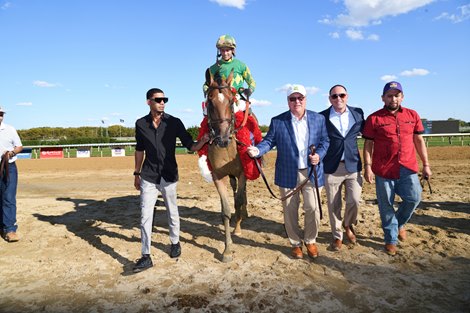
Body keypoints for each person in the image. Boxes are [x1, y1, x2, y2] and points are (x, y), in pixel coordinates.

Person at [247, 84, 329, 259]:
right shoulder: (278, 121)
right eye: (293, 99)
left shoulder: (318, 119)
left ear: (305, 100)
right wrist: (258, 150)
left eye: (300, 98)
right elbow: (269, 141)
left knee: (313, 209)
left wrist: (319, 155)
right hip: (287, 172)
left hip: (312, 172)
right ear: (288, 102)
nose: (297, 101)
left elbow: (325, 141)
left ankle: (310, 240)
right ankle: (295, 243)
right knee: (290, 211)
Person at [133, 88, 208, 273]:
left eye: (164, 99)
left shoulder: (174, 122)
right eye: (158, 99)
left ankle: (175, 242)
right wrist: (136, 173)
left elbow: (190, 145)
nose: (162, 102)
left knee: (172, 212)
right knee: (145, 216)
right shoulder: (140, 124)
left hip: (169, 175)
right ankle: (145, 255)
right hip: (148, 176)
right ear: (148, 102)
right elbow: (139, 149)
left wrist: (204, 140)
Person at [362, 81, 432, 256]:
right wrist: (367, 167)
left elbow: (418, 141)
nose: (393, 98)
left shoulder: (412, 115)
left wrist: (426, 164)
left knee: (414, 198)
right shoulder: (374, 118)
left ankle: (399, 224)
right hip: (384, 170)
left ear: (402, 96)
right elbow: (368, 144)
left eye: (397, 95)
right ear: (383, 98)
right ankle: (391, 239)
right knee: (386, 206)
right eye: (389, 95)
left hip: (408, 167)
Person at [197, 34, 262, 181]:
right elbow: (205, 84)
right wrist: (207, 90)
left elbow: (252, 82)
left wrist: (248, 90)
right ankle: (205, 153)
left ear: (233, 50)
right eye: (222, 50)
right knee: (206, 120)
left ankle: (256, 151)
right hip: (219, 100)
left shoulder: (240, 65)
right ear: (219, 51)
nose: (225, 53)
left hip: (236, 98)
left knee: (250, 121)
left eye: (228, 50)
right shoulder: (212, 68)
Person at [320, 85, 365, 251]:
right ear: (329, 98)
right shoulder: (322, 117)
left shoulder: (358, 113)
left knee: (354, 200)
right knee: (334, 205)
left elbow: (368, 134)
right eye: (334, 96)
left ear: (347, 96)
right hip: (331, 167)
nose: (338, 99)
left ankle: (348, 224)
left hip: (353, 165)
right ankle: (337, 235)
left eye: (342, 95)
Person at [0, 106, 23, 242]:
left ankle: (10, 229)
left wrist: (12, 153)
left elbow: (19, 146)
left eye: (1, 114)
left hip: (8, 167)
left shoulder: (10, 129)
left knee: (8, 197)